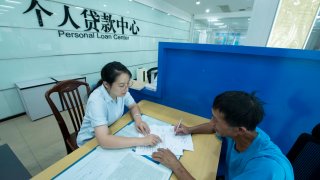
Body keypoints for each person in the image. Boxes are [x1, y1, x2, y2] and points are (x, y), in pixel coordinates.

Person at [152, 91, 294, 180]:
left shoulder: (266, 169)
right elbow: (212, 127)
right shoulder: (244, 131)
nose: (211, 122)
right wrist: (189, 130)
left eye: (215, 119)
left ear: (240, 130)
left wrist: (176, 165)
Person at [77, 61, 161, 148]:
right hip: (89, 142)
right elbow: (104, 141)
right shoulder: (96, 101)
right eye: (121, 85)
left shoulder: (121, 91)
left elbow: (133, 106)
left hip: (110, 130)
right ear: (106, 84)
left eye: (128, 84)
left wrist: (138, 120)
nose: (126, 89)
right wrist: (143, 141)